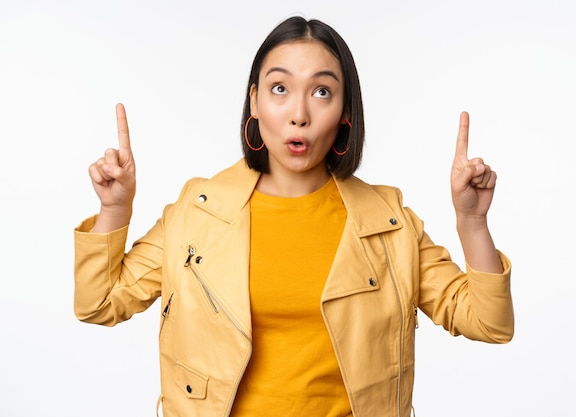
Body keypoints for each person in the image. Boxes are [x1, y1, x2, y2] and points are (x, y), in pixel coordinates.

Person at [74, 16, 514, 417]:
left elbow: (488, 323)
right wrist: (115, 209)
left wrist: (472, 223)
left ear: (345, 112)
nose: (299, 115)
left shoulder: (389, 223)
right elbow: (98, 303)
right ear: (255, 102)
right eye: (280, 89)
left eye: (321, 91)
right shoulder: (197, 213)